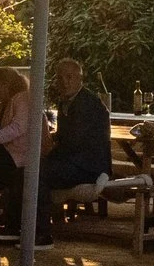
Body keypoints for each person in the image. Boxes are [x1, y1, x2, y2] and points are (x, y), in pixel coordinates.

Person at [0, 66, 49, 245]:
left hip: (23, 156)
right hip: (11, 155)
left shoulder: (23, 99)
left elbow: (18, 127)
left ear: (7, 85)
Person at [43, 59, 112, 189]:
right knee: (26, 172)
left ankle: (44, 209)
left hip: (89, 167)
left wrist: (48, 152)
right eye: (60, 78)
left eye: (69, 77)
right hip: (73, 162)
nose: (64, 82)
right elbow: (64, 136)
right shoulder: (65, 101)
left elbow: (74, 140)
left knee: (35, 174)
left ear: (80, 79)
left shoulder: (88, 103)